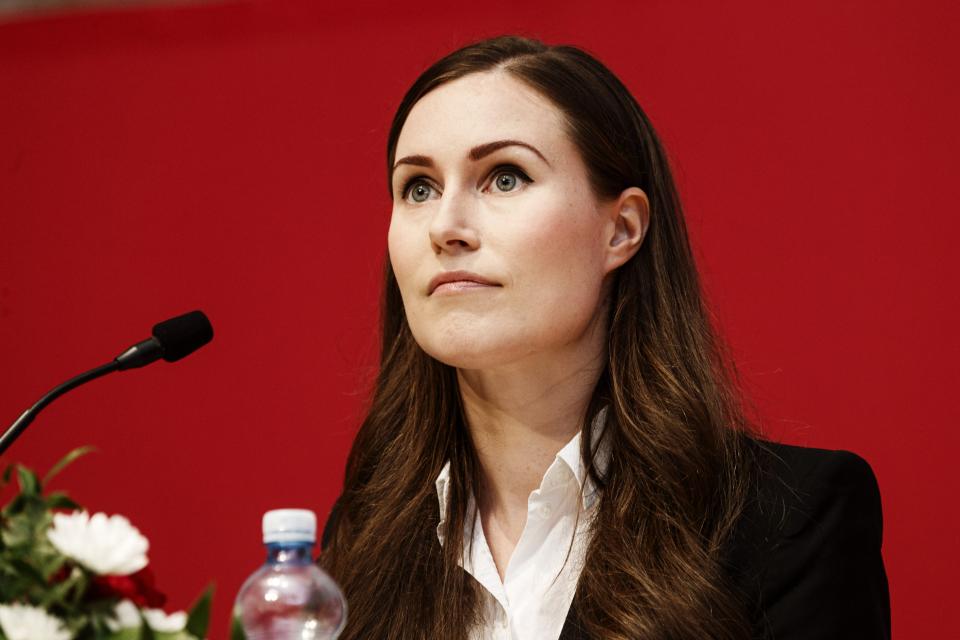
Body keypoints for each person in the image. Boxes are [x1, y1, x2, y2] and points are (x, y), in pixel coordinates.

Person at [319, 35, 890, 640]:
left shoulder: (788, 519)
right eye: (418, 188)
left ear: (621, 230)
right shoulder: (362, 534)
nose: (445, 227)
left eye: (505, 178)